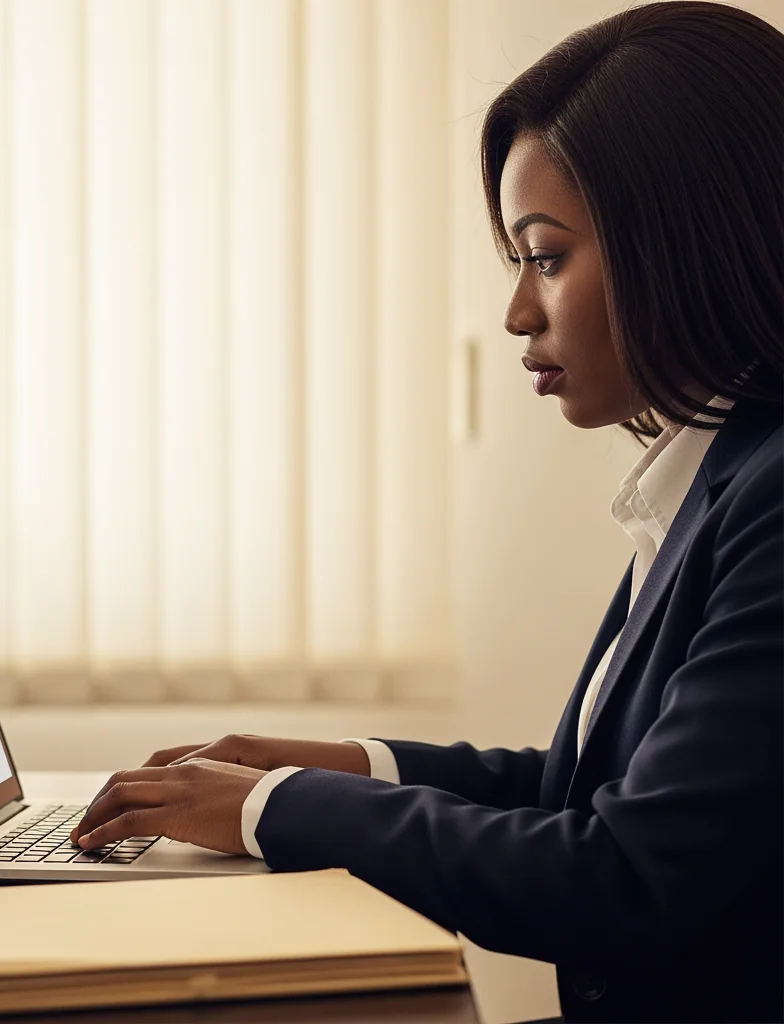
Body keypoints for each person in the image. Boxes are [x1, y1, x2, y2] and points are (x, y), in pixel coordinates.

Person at [70, 3, 783, 1021]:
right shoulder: (720, 469)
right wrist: (339, 766)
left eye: (546, 256)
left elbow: (623, 875)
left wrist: (272, 810)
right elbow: (590, 792)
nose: (516, 313)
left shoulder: (770, 496)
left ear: (689, 238)